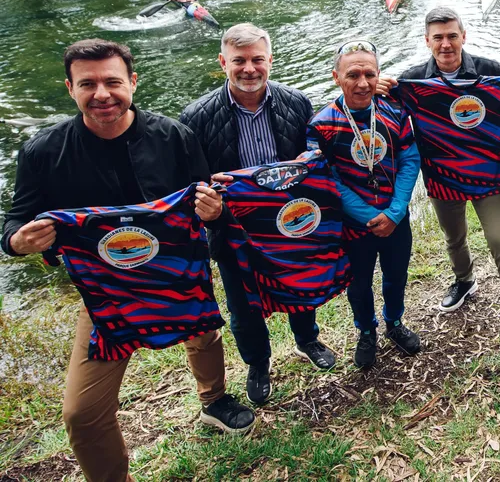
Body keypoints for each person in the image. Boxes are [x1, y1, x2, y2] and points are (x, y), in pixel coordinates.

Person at [1, 39, 255, 482]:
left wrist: (216, 212)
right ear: (70, 88)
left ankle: (214, 399)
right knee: (81, 414)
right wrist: (17, 242)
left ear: (132, 83)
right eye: (88, 84)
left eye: (112, 81)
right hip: (105, 293)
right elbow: (14, 223)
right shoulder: (44, 151)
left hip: (179, 275)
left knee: (203, 332)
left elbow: (210, 203)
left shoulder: (173, 135)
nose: (102, 94)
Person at [375, 7, 500, 379]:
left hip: (488, 177)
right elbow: (384, 123)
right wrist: (378, 90)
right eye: (437, 37)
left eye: (451, 35)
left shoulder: (491, 70)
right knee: (454, 238)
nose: (445, 43)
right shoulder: (412, 81)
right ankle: (465, 280)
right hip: (442, 178)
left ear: (463, 36)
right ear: (427, 41)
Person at [179, 24, 335, 406]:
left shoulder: (296, 102)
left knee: (300, 285)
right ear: (223, 63)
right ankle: (258, 363)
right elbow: (188, 182)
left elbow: (317, 149)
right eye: (239, 61)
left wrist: (311, 157)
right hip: (232, 226)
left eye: (257, 60)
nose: (249, 69)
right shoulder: (196, 116)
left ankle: (307, 339)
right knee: (242, 304)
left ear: (270, 60)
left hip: (289, 220)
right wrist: (209, 194)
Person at [307, 41, 422, 369]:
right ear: (335, 77)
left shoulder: (394, 111)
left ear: (379, 75)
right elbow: (327, 179)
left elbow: (410, 157)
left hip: (396, 218)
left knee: (396, 274)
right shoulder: (322, 125)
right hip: (354, 226)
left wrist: (396, 211)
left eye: (369, 74)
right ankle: (366, 331)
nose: (362, 83)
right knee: (358, 283)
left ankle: (395, 322)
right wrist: (371, 216)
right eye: (352, 75)